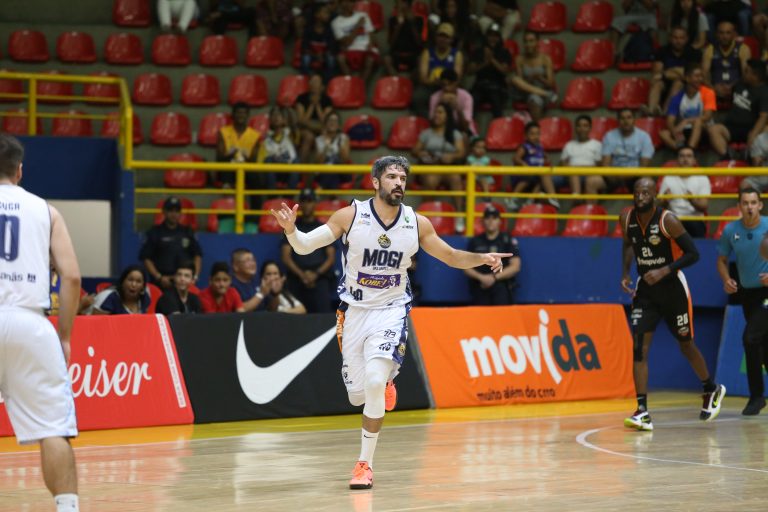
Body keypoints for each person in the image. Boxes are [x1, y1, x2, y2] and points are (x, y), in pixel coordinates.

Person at [271, 155, 510, 489]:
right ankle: (384, 384)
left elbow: (451, 256)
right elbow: (305, 246)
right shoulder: (351, 215)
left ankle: (364, 465)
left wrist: (481, 258)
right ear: (375, 182)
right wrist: (291, 230)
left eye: (403, 178)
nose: (399, 183)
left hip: (391, 310)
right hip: (354, 312)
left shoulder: (416, 223)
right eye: (392, 177)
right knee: (358, 396)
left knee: (372, 380)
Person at [0, 134, 82, 512]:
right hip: (30, 323)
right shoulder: (46, 211)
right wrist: (64, 336)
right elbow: (71, 278)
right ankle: (67, 508)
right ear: (19, 170)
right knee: (52, 430)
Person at [620, 177, 726, 431]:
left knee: (686, 344)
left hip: (673, 290)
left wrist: (664, 270)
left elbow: (693, 254)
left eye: (646, 192)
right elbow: (628, 244)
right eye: (637, 192)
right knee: (639, 349)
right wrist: (625, 272)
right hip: (646, 292)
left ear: (655, 195)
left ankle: (710, 388)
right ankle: (642, 411)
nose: (640, 196)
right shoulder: (626, 218)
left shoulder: (668, 220)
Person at [716, 187, 768, 415]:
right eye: (745, 203)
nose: (749, 207)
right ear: (739, 206)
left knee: (750, 338)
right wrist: (727, 279)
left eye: (753, 202)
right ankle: (758, 396)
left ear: (760, 205)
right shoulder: (731, 230)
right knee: (764, 346)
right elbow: (721, 260)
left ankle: (756, 397)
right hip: (748, 295)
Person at [411, 101, 466, 230]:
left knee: (456, 179)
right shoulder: (427, 133)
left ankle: (459, 215)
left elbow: (461, 152)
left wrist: (452, 156)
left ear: (447, 116)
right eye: (435, 112)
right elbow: (414, 151)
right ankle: (427, 216)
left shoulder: (454, 134)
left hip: (448, 168)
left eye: (440, 112)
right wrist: (422, 153)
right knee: (430, 180)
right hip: (430, 167)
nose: (437, 115)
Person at [281, 188, 336, 313]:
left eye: (310, 201)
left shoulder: (323, 227)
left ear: (315, 203)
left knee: (323, 317)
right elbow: (286, 257)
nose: (306, 204)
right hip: (296, 278)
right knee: (294, 318)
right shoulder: (291, 227)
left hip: (320, 278)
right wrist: (302, 275)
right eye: (303, 201)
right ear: (300, 203)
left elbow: (331, 257)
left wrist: (315, 274)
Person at [707, 59, 768, 160]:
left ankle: (749, 155)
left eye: (747, 71)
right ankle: (728, 156)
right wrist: (719, 88)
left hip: (750, 128)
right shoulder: (740, 83)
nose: (744, 73)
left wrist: (753, 133)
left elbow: (764, 116)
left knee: (764, 132)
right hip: (731, 127)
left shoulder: (765, 92)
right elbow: (726, 91)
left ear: (755, 75)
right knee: (713, 129)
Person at [140, 196, 202, 289]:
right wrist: (159, 277)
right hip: (162, 283)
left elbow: (197, 255)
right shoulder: (155, 232)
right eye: (170, 210)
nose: (174, 214)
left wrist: (195, 277)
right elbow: (146, 258)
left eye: (177, 211)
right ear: (164, 212)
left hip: (184, 281)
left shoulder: (187, 232)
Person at [463, 205, 520, 305]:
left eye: (494, 218)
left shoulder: (507, 240)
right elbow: (465, 267)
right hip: (480, 285)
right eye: (487, 218)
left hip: (501, 285)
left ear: (500, 221)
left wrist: (494, 278)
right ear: (482, 221)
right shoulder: (475, 241)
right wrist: (482, 278)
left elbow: (515, 266)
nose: (490, 221)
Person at [591, 109, 654, 195]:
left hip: (635, 176)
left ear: (634, 120)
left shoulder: (644, 137)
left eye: (629, 117)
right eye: (622, 118)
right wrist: (615, 176)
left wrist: (625, 176)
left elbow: (644, 166)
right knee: (592, 181)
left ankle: (644, 204)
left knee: (647, 182)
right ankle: (585, 204)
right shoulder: (609, 136)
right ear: (618, 121)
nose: (626, 121)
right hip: (613, 177)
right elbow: (606, 164)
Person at [645, 26, 701, 117]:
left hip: (686, 87)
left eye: (681, 38)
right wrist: (678, 72)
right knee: (657, 84)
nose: (678, 41)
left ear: (686, 39)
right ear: (670, 38)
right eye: (675, 37)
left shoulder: (693, 53)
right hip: (665, 85)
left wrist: (668, 72)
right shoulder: (662, 51)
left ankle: (665, 113)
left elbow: (690, 75)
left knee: (678, 83)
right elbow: (657, 74)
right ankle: (651, 113)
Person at [659, 63, 716, 151]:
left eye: (701, 76)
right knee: (664, 133)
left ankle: (690, 150)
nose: (700, 79)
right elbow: (670, 121)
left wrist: (686, 121)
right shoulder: (678, 97)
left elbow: (707, 116)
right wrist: (675, 133)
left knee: (698, 122)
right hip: (686, 130)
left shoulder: (708, 92)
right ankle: (681, 149)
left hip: (705, 129)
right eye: (697, 76)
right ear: (687, 78)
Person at [658, 146, 711, 238]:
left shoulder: (702, 178)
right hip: (673, 219)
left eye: (689, 156)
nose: (685, 159)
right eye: (682, 156)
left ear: (694, 160)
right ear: (677, 160)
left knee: (693, 225)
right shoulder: (668, 178)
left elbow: (704, 206)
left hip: (694, 220)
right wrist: (665, 201)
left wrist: (692, 200)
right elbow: (659, 207)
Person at [414, 22, 464, 117]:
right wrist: (434, 82)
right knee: (418, 97)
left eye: (446, 37)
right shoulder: (427, 53)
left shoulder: (457, 54)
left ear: (451, 40)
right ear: (436, 37)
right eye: (440, 36)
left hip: (450, 87)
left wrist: (446, 85)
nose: (443, 39)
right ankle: (430, 119)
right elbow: (423, 78)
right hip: (431, 85)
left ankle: (450, 121)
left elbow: (457, 78)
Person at [509, 31, 557, 122]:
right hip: (525, 92)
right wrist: (529, 79)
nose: (528, 44)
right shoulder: (519, 59)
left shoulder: (545, 59)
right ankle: (546, 94)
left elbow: (551, 84)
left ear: (537, 42)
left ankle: (536, 127)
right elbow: (520, 83)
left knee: (534, 99)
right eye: (526, 41)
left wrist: (539, 78)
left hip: (541, 90)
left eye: (531, 41)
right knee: (514, 79)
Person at [512, 121, 559, 209]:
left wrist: (547, 160)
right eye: (532, 134)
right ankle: (513, 197)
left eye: (538, 134)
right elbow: (516, 158)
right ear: (526, 135)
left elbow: (546, 157)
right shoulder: (524, 147)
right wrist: (524, 164)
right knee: (530, 178)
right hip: (524, 175)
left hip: (536, 175)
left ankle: (530, 200)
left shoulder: (540, 147)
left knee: (541, 181)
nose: (535, 136)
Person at [702, 20, 751, 106]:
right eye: (721, 33)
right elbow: (704, 74)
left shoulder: (743, 49)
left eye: (728, 33)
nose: (724, 36)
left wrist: (732, 87)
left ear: (734, 34)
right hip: (714, 88)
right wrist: (713, 88)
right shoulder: (710, 49)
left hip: (737, 88)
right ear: (717, 34)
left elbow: (746, 74)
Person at [468, 23, 511, 119]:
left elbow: (504, 71)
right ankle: (470, 127)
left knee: (496, 102)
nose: (492, 38)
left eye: (495, 36)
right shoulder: (478, 51)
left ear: (499, 38)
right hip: (480, 86)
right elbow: (470, 71)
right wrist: (484, 63)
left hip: (497, 86)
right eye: (490, 35)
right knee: (472, 101)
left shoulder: (504, 52)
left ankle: (499, 126)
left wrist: (492, 59)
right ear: (486, 37)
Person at [332, 0, 379, 83]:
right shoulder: (336, 22)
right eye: (348, 2)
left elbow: (371, 34)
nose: (351, 4)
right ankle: (352, 83)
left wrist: (371, 44)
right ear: (341, 4)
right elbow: (347, 43)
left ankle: (361, 84)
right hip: (350, 49)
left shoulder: (363, 15)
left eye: (352, 2)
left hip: (365, 49)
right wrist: (357, 26)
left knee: (370, 59)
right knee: (340, 58)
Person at [216, 102, 262, 188]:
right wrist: (231, 154)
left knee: (255, 176)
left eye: (244, 113)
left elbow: (254, 160)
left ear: (248, 115)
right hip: (228, 167)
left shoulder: (255, 135)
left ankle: (256, 197)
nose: (241, 115)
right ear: (233, 115)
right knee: (226, 169)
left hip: (246, 169)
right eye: (238, 113)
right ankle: (227, 192)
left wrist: (246, 157)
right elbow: (219, 158)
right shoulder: (223, 132)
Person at [559, 115, 603, 198]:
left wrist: (578, 168)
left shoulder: (597, 145)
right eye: (579, 126)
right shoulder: (569, 145)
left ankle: (578, 198)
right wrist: (573, 169)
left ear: (590, 128)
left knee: (577, 173)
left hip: (590, 174)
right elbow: (562, 163)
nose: (582, 129)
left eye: (585, 126)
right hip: (570, 175)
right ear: (575, 128)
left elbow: (599, 166)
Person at [295, 74, 334, 164]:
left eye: (316, 82)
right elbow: (301, 121)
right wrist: (312, 105)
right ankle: (300, 168)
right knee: (309, 136)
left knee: (325, 135)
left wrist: (317, 105)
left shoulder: (327, 100)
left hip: (321, 128)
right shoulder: (301, 98)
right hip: (304, 129)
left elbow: (325, 121)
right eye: (311, 81)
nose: (313, 84)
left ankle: (321, 168)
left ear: (322, 87)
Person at [384, 0, 425, 76]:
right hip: (397, 53)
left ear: (408, 5)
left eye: (401, 3)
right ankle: (396, 78)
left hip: (413, 53)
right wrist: (398, 27)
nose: (398, 6)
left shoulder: (419, 20)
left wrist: (412, 23)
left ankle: (409, 80)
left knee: (421, 60)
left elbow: (419, 42)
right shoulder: (392, 20)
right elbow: (391, 43)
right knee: (387, 59)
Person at [429, 68, 475, 135]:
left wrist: (458, 109)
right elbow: (432, 124)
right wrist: (440, 105)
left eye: (450, 84)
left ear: (456, 83)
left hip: (464, 131)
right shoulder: (435, 97)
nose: (446, 88)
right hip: (443, 131)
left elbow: (465, 127)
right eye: (444, 85)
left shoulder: (467, 97)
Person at [313, 110, 351, 189]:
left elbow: (345, 159)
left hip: (341, 171)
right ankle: (333, 195)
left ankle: (320, 190)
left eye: (335, 121)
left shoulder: (344, 138)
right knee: (332, 174)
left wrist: (339, 145)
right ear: (326, 123)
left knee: (334, 168)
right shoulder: (319, 139)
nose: (332, 123)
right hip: (324, 171)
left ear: (338, 125)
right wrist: (326, 147)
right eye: (330, 120)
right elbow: (318, 162)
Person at [300, 5, 338, 83]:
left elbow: (332, 47)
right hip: (312, 55)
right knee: (305, 58)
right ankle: (306, 80)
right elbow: (305, 47)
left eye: (328, 13)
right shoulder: (308, 30)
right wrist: (315, 55)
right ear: (316, 15)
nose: (328, 15)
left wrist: (323, 55)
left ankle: (328, 82)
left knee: (331, 58)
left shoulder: (329, 30)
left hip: (324, 55)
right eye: (325, 13)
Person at [230, 248, 269, 312]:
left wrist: (275, 294)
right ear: (235, 266)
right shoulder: (231, 285)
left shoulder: (258, 281)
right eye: (247, 261)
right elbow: (240, 310)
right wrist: (261, 294)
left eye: (253, 260)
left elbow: (272, 308)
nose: (252, 264)